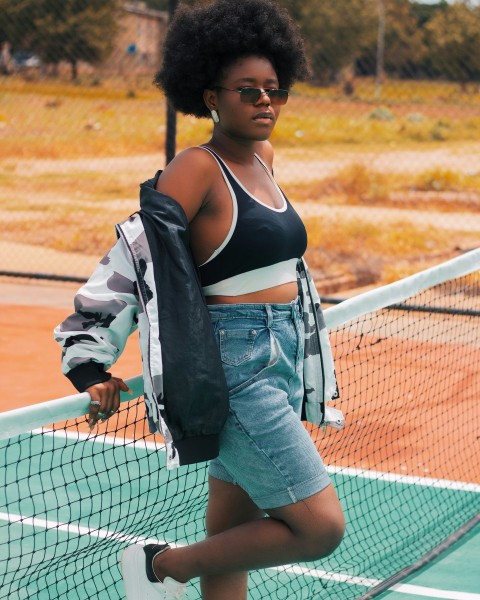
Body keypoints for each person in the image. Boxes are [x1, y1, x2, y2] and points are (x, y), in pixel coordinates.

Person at [54, 1, 345, 598]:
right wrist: (87, 359)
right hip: (233, 372)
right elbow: (136, 255)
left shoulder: (263, 160)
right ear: (211, 96)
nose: (266, 101)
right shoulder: (196, 167)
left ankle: (178, 569)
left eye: (275, 90)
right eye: (248, 91)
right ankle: (160, 566)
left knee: (232, 535)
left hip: (283, 356)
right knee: (319, 529)